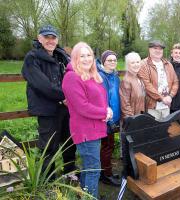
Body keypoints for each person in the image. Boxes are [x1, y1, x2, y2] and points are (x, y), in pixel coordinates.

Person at [21, 25, 77, 180]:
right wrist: (64, 97)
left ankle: (70, 171)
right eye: (47, 37)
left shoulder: (61, 56)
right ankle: (48, 180)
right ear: (39, 38)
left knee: (69, 141)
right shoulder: (32, 57)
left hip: (66, 108)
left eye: (53, 37)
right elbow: (42, 85)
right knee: (48, 146)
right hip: (47, 109)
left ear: (57, 39)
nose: (50, 41)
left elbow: (74, 75)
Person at [62, 42, 112, 198]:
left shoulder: (91, 76)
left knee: (89, 168)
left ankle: (85, 195)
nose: (86, 59)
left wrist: (107, 109)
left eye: (89, 55)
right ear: (75, 58)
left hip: (95, 129)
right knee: (93, 170)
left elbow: (98, 99)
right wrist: (104, 112)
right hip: (85, 131)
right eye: (81, 56)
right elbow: (82, 107)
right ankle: (91, 197)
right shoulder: (71, 77)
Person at [96, 50, 121, 186]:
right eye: (109, 60)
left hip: (115, 117)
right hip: (106, 119)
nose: (112, 62)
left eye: (114, 60)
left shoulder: (115, 76)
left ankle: (105, 171)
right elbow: (102, 100)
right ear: (103, 61)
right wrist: (109, 120)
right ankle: (106, 175)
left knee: (109, 145)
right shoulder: (101, 76)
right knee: (107, 146)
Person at [138, 40, 179, 120]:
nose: (158, 51)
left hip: (166, 106)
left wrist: (170, 96)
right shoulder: (143, 64)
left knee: (165, 130)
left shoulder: (168, 64)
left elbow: (175, 82)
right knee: (152, 131)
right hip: (152, 107)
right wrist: (162, 98)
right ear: (149, 49)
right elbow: (146, 85)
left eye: (160, 49)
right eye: (155, 48)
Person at [120, 52, 145, 118]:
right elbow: (125, 105)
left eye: (137, 62)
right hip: (132, 119)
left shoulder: (139, 77)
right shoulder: (126, 81)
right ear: (128, 65)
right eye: (132, 63)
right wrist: (132, 120)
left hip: (140, 116)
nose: (136, 64)